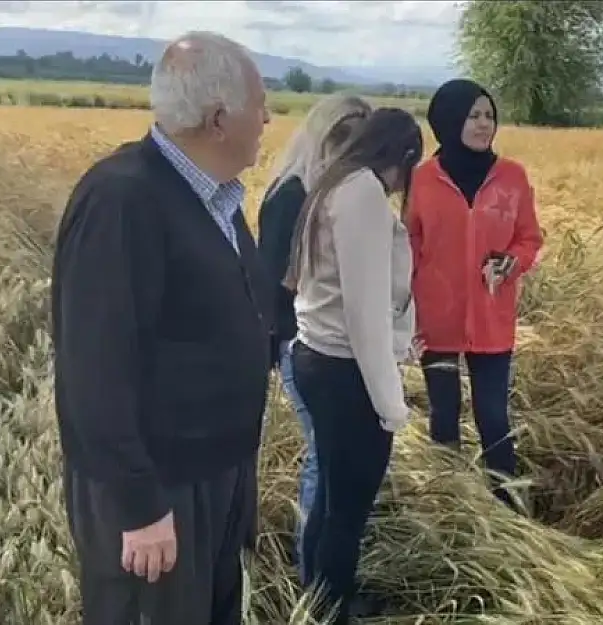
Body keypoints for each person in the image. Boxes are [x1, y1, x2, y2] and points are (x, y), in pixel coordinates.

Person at [50, 31, 273, 625]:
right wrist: (139, 506)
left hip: (215, 476)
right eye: (261, 103)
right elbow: (94, 367)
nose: (269, 117)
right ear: (220, 119)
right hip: (161, 490)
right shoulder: (123, 198)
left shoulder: (213, 197)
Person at [285, 106, 424, 624]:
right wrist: (392, 405)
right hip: (346, 371)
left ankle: (320, 597)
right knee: (349, 504)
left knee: (332, 494)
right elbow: (364, 310)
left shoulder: (332, 182)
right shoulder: (363, 192)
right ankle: (335, 608)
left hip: (319, 359)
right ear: (404, 155)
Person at [406, 79, 544, 508]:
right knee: (444, 417)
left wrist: (512, 262)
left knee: (493, 417)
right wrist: (405, 313)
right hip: (438, 319)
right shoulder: (421, 180)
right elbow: (409, 248)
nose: (485, 124)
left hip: (491, 318)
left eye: (489, 115)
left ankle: (505, 508)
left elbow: (530, 238)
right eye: (473, 115)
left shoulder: (512, 177)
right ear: (448, 120)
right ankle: (448, 506)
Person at [256, 95, 371, 577]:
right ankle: (315, 578)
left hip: (324, 345)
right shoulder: (294, 196)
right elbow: (276, 282)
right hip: (300, 346)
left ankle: (325, 571)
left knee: (333, 458)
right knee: (325, 461)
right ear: (327, 139)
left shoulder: (325, 192)